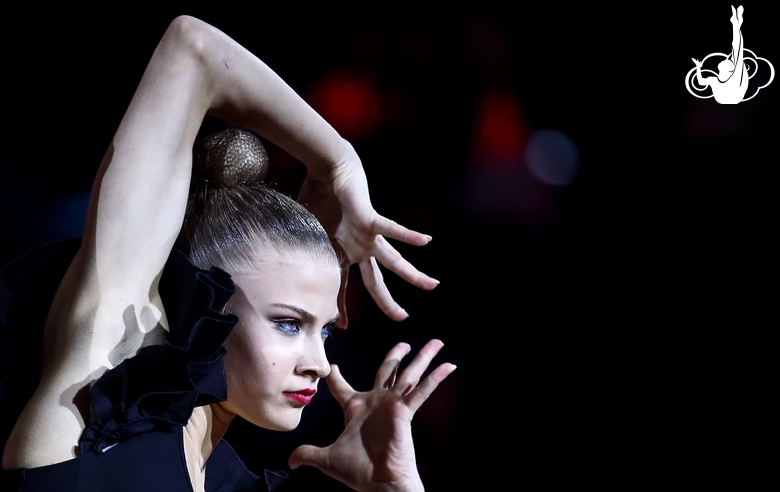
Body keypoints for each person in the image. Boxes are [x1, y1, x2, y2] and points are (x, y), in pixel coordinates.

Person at [0, 14, 454, 491]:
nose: (319, 364)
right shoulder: (97, 387)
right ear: (202, 311)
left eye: (324, 333)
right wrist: (335, 160)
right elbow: (192, 48)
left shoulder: (233, 483)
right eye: (288, 323)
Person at [692, 5, 748, 104]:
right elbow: (737, 51)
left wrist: (698, 67)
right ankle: (736, 24)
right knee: (737, 52)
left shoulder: (717, 80)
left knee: (737, 51)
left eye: (726, 61)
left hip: (731, 96)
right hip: (731, 96)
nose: (724, 59)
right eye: (728, 61)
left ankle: (736, 24)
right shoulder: (728, 78)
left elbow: (701, 82)